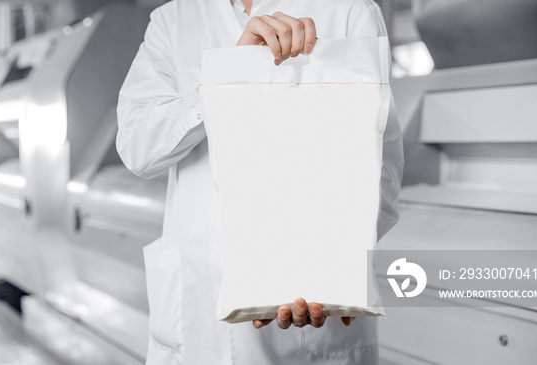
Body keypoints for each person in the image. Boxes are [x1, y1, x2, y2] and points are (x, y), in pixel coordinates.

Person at [117, 0, 404, 364]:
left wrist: (322, 268)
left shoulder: (347, 8)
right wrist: (230, 76)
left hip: (306, 334)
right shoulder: (172, 19)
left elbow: (383, 172)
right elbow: (137, 148)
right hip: (195, 322)